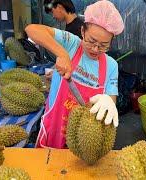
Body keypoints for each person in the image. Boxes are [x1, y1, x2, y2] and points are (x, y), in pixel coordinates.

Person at [25, 0, 124, 149]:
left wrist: (108, 102)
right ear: (83, 32)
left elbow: (110, 99)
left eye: (103, 45)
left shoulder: (111, 65)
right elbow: (31, 29)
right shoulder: (71, 43)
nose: (96, 49)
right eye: (91, 41)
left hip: (86, 136)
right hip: (56, 127)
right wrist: (62, 54)